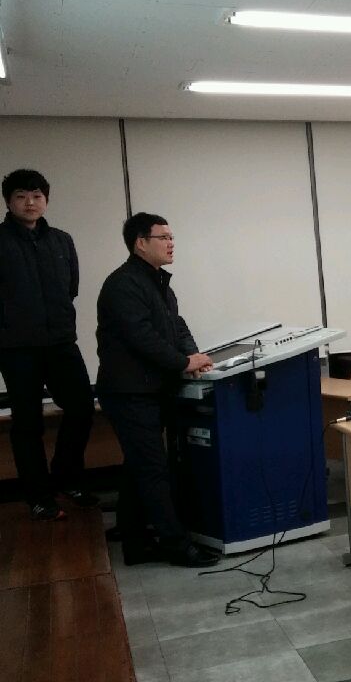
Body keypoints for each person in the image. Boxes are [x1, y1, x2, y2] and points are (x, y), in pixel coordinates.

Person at [97, 213, 218, 568]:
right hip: (130, 392)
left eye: (171, 236)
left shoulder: (158, 282)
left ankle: (134, 539)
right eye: (163, 237)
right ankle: (175, 544)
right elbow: (142, 337)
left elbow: (176, 326)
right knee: (152, 468)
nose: (171, 243)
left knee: (139, 465)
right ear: (140, 243)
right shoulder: (123, 284)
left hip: (151, 389)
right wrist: (183, 362)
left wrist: (194, 356)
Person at [0, 169, 97, 521]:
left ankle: (66, 477)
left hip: (60, 341)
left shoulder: (61, 241)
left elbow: (71, 287)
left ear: (46, 200)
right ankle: (39, 496)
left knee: (82, 408)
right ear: (8, 202)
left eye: (37, 196)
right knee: (28, 423)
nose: (30, 202)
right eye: (21, 196)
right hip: (16, 347)